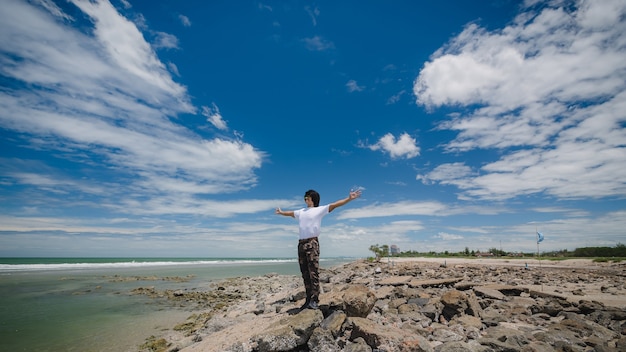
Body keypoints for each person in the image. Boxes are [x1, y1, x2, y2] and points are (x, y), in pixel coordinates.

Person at [275, 189, 361, 310]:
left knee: (313, 272)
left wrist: (349, 199)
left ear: (313, 199)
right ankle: (308, 299)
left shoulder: (319, 210)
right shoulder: (301, 212)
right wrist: (281, 212)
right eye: (305, 198)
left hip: (312, 243)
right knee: (304, 273)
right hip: (301, 244)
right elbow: (290, 213)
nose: (305, 199)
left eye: (308, 197)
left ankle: (315, 300)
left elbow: (335, 204)